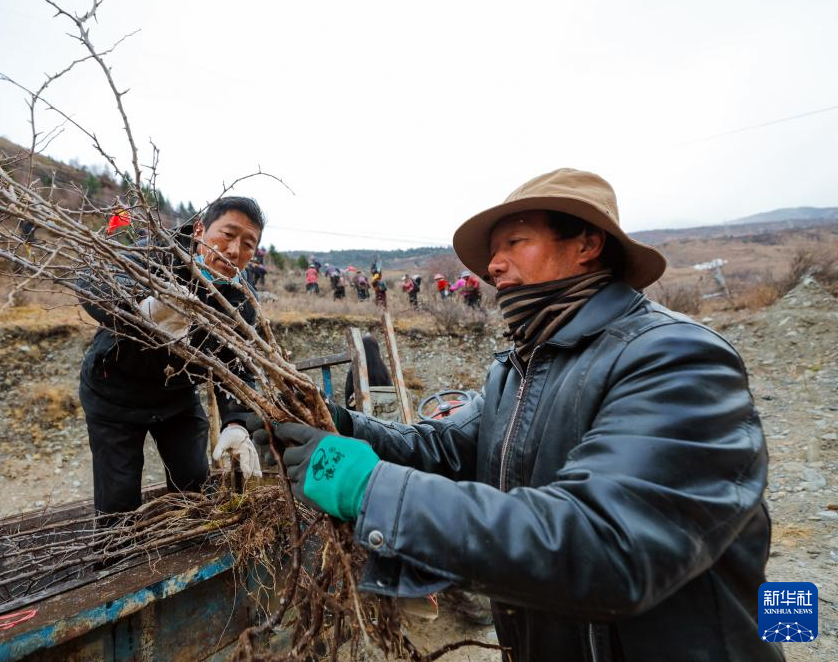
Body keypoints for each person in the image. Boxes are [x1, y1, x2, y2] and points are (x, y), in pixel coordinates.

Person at [256, 169, 780, 661]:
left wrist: (369, 489)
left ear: (586, 244)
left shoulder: (674, 359)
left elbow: (606, 545)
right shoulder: (521, 367)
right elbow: (442, 450)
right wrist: (340, 423)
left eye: (515, 243)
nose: (492, 267)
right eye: (492, 252)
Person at [78, 196, 265, 516]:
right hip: (114, 394)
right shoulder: (157, 253)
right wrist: (139, 308)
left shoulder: (241, 301)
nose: (235, 251)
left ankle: (190, 544)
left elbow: (237, 364)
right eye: (228, 234)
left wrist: (237, 422)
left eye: (249, 244)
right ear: (200, 230)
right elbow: (92, 280)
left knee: (194, 484)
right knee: (118, 501)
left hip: (177, 397)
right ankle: (114, 558)